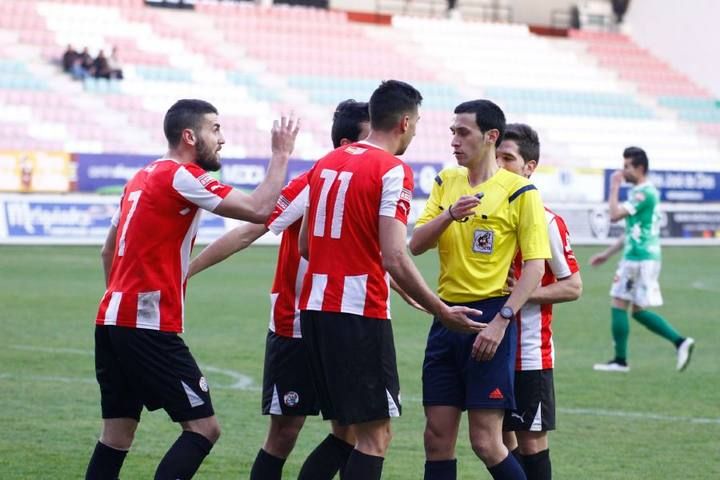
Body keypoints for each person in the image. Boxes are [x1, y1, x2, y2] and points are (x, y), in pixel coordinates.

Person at [85, 99, 299, 480]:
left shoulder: (139, 177)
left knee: (116, 436)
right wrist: (281, 154)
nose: (222, 139)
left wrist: (121, 297)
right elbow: (258, 207)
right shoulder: (182, 175)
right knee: (204, 428)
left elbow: (107, 250)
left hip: (111, 319)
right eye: (215, 129)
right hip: (147, 326)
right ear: (189, 136)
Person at [297, 80, 486, 480]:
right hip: (357, 314)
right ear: (404, 122)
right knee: (376, 436)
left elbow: (306, 246)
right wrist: (441, 309)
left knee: (346, 432)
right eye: (415, 124)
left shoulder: (327, 163)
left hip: (315, 309)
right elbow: (395, 255)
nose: (415, 132)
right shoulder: (392, 169)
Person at [188, 99, 368, 480]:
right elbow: (248, 230)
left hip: (345, 322)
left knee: (350, 431)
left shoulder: (375, 181)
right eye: (373, 136)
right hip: (297, 325)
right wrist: (188, 270)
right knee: (284, 433)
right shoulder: (313, 181)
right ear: (350, 142)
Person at [409, 100, 551, 480]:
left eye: (463, 132)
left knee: (487, 442)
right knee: (436, 439)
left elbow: (535, 267)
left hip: (490, 319)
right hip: (446, 317)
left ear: (490, 137)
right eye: (452, 131)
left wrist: (502, 320)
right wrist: (449, 214)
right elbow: (416, 244)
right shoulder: (445, 182)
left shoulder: (520, 191)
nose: (454, 140)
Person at [496, 123, 583, 480]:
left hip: (529, 355)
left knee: (530, 443)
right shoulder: (486, 216)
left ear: (529, 167)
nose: (500, 165)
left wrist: (523, 293)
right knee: (495, 439)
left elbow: (573, 286)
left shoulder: (546, 222)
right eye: (496, 156)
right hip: (491, 349)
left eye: (509, 159)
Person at [590, 147, 695, 372]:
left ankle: (621, 360)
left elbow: (615, 214)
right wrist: (607, 254)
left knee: (619, 302)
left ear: (639, 168)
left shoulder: (642, 193)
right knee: (637, 310)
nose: (623, 170)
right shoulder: (644, 192)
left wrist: (614, 186)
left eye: (627, 166)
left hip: (638, 258)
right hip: (643, 256)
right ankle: (679, 342)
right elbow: (632, 231)